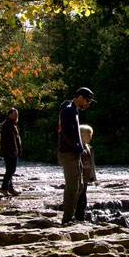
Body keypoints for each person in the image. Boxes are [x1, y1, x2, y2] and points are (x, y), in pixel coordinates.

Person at [58, 87, 95, 224]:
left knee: (78, 186)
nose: (88, 104)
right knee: (73, 187)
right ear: (80, 97)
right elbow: (66, 133)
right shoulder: (68, 110)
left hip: (73, 152)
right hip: (69, 153)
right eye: (87, 100)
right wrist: (78, 148)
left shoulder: (72, 109)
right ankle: (67, 219)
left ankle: (70, 216)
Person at [74, 124, 97, 221]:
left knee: (83, 198)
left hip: (86, 177)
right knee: (80, 198)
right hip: (80, 177)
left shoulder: (88, 147)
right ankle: (78, 217)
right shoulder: (77, 147)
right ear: (81, 135)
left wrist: (92, 176)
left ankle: (81, 217)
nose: (91, 137)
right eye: (89, 135)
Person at [0, 107, 22, 196]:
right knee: (11, 169)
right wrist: (15, 149)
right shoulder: (8, 124)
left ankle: (10, 189)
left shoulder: (11, 124)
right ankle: (4, 188)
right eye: (14, 114)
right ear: (9, 115)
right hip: (9, 151)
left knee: (10, 169)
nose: (16, 115)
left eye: (17, 114)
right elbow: (11, 139)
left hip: (9, 150)